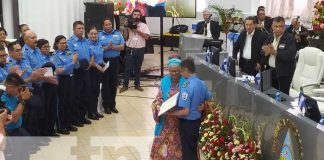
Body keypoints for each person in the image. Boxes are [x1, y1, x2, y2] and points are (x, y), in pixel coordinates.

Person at [167, 59, 212, 160]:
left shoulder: (186, 86)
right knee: (194, 150)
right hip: (197, 123)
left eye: (181, 71)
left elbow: (185, 111)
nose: (181, 74)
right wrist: (203, 106)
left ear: (186, 70)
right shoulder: (202, 83)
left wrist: (171, 113)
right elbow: (210, 99)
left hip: (187, 124)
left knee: (187, 153)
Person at [23, 30, 57, 136]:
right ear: (25, 40)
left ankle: (42, 134)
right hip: (32, 86)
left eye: (36, 37)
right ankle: (34, 138)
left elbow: (42, 68)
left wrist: (48, 76)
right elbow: (33, 73)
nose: (35, 39)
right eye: (32, 38)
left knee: (42, 112)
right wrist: (48, 78)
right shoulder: (25, 53)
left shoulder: (37, 50)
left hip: (41, 85)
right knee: (33, 115)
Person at [150, 56, 185, 160]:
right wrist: (158, 105)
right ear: (168, 70)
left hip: (180, 121)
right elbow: (159, 97)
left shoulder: (186, 82)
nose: (175, 74)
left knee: (180, 149)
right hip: (166, 122)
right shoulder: (164, 81)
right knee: (162, 150)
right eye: (172, 71)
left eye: (177, 71)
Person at [262, 16, 297, 95]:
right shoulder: (270, 36)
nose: (278, 29)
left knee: (282, 98)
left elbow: (289, 55)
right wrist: (266, 51)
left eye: (280, 26)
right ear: (272, 27)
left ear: (284, 26)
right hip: (270, 71)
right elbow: (263, 50)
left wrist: (273, 51)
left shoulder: (289, 38)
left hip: (283, 74)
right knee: (270, 95)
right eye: (276, 26)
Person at [53, 35, 80, 134]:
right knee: (62, 103)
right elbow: (60, 71)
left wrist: (75, 61)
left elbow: (76, 66)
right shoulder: (55, 56)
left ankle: (68, 123)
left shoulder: (69, 52)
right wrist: (72, 62)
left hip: (71, 78)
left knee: (70, 101)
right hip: (63, 80)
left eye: (65, 43)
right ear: (57, 44)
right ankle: (61, 126)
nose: (64, 45)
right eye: (61, 43)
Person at [2, 73, 32, 160]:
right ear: (10, 87)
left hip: (18, 129)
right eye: (18, 89)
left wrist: (20, 97)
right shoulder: (2, 98)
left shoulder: (11, 93)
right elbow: (13, 118)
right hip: (10, 132)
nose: (19, 91)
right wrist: (23, 101)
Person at [67, 21, 92, 125]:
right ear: (74, 30)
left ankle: (82, 116)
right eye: (79, 28)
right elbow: (70, 57)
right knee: (76, 96)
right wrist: (78, 65)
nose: (81, 30)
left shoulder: (86, 41)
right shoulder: (70, 42)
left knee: (85, 94)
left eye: (82, 28)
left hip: (86, 70)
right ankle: (75, 119)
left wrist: (89, 64)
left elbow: (90, 54)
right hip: (76, 72)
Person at [120, 9, 150, 93]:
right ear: (132, 16)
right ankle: (125, 85)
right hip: (130, 49)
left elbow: (147, 37)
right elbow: (125, 38)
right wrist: (126, 27)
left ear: (140, 16)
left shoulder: (144, 25)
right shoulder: (128, 25)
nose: (136, 16)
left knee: (138, 68)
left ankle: (137, 85)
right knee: (127, 68)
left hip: (140, 50)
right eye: (135, 14)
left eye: (138, 15)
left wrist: (137, 31)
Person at [99, 18, 125, 114]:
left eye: (109, 24)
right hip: (104, 61)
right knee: (105, 83)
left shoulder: (118, 33)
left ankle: (112, 105)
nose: (108, 26)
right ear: (103, 26)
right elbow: (98, 49)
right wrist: (107, 48)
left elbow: (122, 47)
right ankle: (106, 105)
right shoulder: (99, 35)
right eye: (106, 25)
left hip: (115, 61)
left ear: (112, 25)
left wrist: (113, 47)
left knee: (114, 83)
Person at [37, 39, 59, 136]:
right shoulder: (39, 59)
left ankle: (51, 129)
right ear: (39, 48)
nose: (46, 49)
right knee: (46, 109)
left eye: (48, 46)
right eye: (44, 47)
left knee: (53, 107)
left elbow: (56, 69)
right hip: (45, 85)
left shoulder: (52, 57)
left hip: (54, 84)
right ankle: (45, 131)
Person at [87, 26, 105, 119]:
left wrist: (104, 63)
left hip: (99, 69)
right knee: (92, 91)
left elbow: (100, 56)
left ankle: (95, 111)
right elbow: (90, 60)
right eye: (92, 34)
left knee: (97, 91)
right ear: (88, 35)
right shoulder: (87, 44)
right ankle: (90, 113)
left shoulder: (99, 43)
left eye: (95, 34)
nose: (94, 35)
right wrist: (98, 66)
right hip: (92, 70)